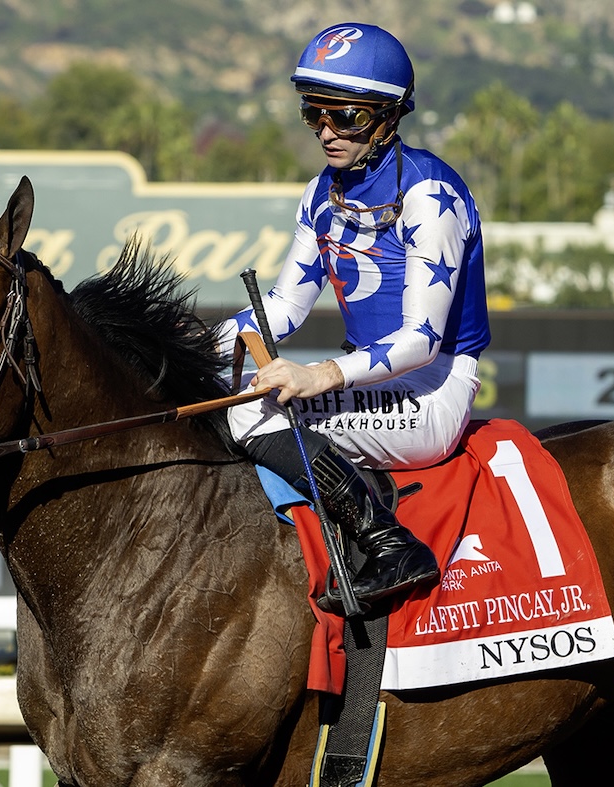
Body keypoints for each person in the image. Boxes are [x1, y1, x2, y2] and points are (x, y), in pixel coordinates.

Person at [216, 22, 490, 615]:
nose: (327, 131)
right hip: (374, 385)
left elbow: (420, 340)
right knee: (223, 400)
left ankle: (389, 542)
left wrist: (318, 376)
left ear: (390, 116)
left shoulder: (430, 194)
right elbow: (285, 306)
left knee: (249, 422)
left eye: (348, 117)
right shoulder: (321, 192)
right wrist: (191, 349)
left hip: (433, 387)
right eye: (315, 114)